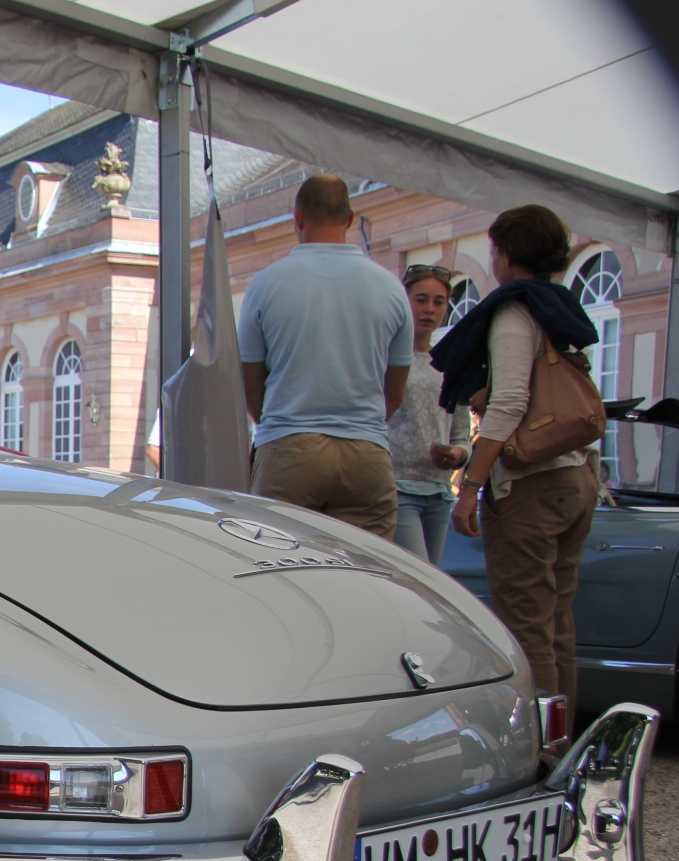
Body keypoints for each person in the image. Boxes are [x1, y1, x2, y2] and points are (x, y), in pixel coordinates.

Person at [437, 204, 600, 711]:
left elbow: (510, 402)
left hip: (531, 483)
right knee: (556, 621)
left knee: (526, 624)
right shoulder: (561, 307)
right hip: (577, 474)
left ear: (506, 254)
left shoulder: (514, 311)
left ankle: (540, 749)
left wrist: (472, 485)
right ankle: (564, 736)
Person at [238, 173, 413, 537]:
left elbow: (250, 382)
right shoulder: (391, 288)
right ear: (350, 219)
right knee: (366, 575)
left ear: (298, 219)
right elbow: (394, 392)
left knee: (278, 571)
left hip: (290, 447)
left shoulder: (267, 284)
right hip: (366, 451)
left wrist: (275, 421)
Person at [387, 265, 470, 562]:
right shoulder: (386, 358)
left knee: (431, 579)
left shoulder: (451, 364)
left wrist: (459, 454)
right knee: (417, 576)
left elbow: (462, 432)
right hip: (396, 486)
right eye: (421, 300)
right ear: (404, 301)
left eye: (439, 302)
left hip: (439, 489)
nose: (429, 310)